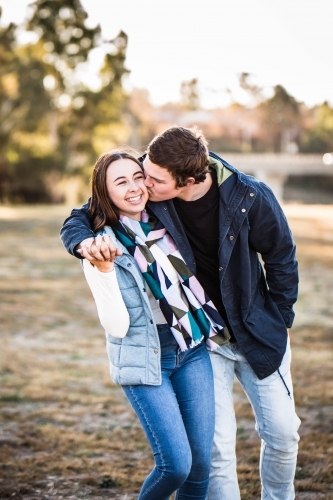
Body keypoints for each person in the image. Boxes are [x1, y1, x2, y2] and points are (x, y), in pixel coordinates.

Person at [60, 127, 301, 500]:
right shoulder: (152, 191)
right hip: (203, 339)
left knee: (283, 434)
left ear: (187, 181)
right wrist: (83, 242)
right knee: (215, 452)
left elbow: (282, 256)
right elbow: (85, 212)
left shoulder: (249, 195)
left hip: (258, 332)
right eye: (142, 170)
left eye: (151, 178)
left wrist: (282, 318)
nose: (143, 183)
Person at [69, 149, 229, 500]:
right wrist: (105, 271)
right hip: (145, 355)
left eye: (137, 177)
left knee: (200, 464)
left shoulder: (166, 220)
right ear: (104, 192)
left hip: (191, 347)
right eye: (120, 181)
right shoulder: (100, 245)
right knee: (176, 466)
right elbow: (116, 325)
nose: (134, 187)